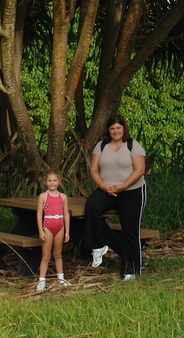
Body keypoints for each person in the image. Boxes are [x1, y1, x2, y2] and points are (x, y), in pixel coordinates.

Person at [83, 114, 147, 281]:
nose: (115, 131)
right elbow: (93, 170)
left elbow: (139, 170)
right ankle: (98, 245)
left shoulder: (133, 145)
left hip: (131, 190)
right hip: (108, 189)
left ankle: (131, 269)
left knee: (129, 229)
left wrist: (123, 186)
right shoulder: (101, 146)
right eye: (112, 128)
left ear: (123, 129)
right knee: (91, 206)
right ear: (108, 130)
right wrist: (103, 186)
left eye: (118, 128)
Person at [34, 170, 71, 292]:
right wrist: (41, 231)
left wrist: (67, 231)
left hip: (60, 226)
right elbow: (39, 213)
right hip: (47, 226)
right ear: (45, 182)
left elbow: (66, 214)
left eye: (54, 180)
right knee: (46, 255)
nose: (52, 183)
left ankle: (61, 279)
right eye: (49, 180)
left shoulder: (63, 197)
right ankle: (41, 281)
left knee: (58, 254)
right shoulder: (43, 196)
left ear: (59, 182)